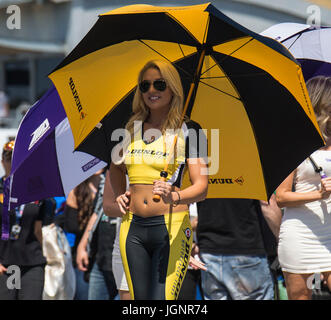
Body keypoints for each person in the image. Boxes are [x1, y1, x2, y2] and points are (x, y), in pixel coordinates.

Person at [103, 59, 208, 300]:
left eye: (160, 84)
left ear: (172, 88)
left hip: (171, 227)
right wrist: (120, 194)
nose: (152, 91)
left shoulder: (190, 129)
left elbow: (202, 188)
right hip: (132, 227)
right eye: (145, 85)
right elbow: (116, 170)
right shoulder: (128, 128)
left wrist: (177, 194)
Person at [276, 76, 331, 300]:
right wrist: (319, 194)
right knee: (300, 297)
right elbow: (281, 197)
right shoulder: (296, 144)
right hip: (300, 233)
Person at [196, 195, 281, 300]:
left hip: (209, 250)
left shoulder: (202, 177)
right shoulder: (253, 177)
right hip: (245, 250)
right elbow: (267, 203)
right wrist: (281, 239)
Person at [0, 140, 47, 300]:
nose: (12, 163)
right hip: (5, 264)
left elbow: (40, 228)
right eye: (8, 158)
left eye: (16, 159)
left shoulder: (36, 190)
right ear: (2, 161)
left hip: (32, 262)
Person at [76, 171, 118, 300]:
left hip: (123, 260)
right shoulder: (107, 176)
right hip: (100, 258)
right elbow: (97, 212)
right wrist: (82, 246)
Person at [60, 171, 102, 300]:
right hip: (83, 253)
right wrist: (93, 221)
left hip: (104, 250)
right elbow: (71, 225)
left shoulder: (110, 185)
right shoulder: (77, 189)